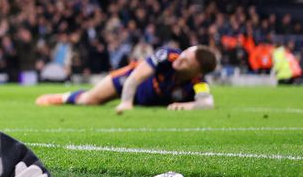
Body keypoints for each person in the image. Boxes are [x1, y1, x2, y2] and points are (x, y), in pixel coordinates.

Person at [37, 45, 218, 112]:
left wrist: (187, 106)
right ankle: (61, 97)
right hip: (130, 81)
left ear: (197, 71)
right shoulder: (168, 55)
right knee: (89, 101)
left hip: (145, 99)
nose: (180, 59)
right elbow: (136, 76)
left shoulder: (198, 83)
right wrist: (126, 102)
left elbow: (207, 103)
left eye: (186, 61)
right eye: (184, 53)